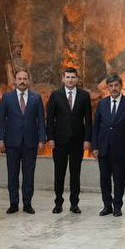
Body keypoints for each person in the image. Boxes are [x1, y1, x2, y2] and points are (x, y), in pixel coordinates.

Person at [0, 68, 47, 214]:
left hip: (30, 142)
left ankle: (27, 203)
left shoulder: (36, 98)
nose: (22, 81)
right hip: (12, 142)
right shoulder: (7, 97)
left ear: (28, 81)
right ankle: (13, 203)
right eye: (20, 79)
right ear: (15, 81)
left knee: (28, 174)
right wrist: (0, 139)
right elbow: (1, 120)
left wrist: (42, 139)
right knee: (12, 174)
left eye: (25, 79)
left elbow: (41, 120)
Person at [45, 67, 92, 213]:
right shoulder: (55, 95)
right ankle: (58, 203)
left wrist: (87, 140)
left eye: (73, 77)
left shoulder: (84, 95)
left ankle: (74, 204)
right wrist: (50, 138)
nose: (70, 80)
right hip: (59, 141)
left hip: (77, 141)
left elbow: (88, 120)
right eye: (68, 77)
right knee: (59, 173)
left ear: (77, 79)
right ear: (63, 79)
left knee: (75, 173)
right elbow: (49, 119)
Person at [92, 74, 125, 217]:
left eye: (116, 85)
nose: (113, 88)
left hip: (121, 149)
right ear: (108, 88)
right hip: (103, 148)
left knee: (119, 179)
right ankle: (107, 206)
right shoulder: (102, 104)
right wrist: (95, 147)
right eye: (111, 86)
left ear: (121, 86)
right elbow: (96, 126)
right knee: (104, 179)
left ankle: (117, 206)